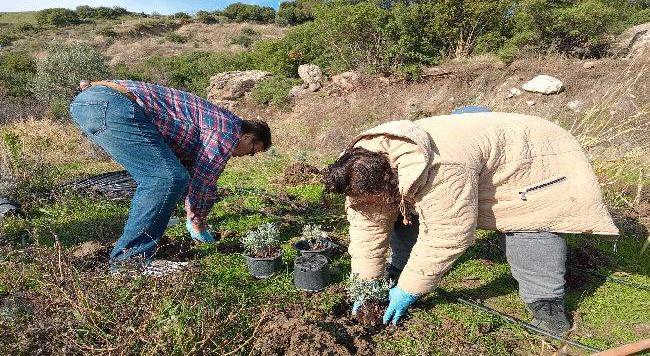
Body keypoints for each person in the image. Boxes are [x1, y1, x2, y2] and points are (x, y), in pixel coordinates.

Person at [324, 109, 618, 334]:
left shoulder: (443, 170)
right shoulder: (361, 166)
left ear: (391, 179)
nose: (372, 204)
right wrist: (365, 283)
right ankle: (399, 270)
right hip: (479, 151)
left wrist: (410, 289)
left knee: (530, 227)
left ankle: (548, 309)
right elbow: (368, 225)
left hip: (535, 157)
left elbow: (448, 234)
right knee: (400, 212)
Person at [70, 80, 272, 264]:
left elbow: (190, 169)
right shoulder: (227, 132)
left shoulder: (220, 121)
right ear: (248, 137)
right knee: (165, 178)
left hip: (92, 103)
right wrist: (198, 223)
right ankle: (129, 261)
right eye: (253, 152)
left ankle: (147, 232)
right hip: (113, 105)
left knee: (169, 174)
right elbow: (204, 181)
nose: (247, 156)